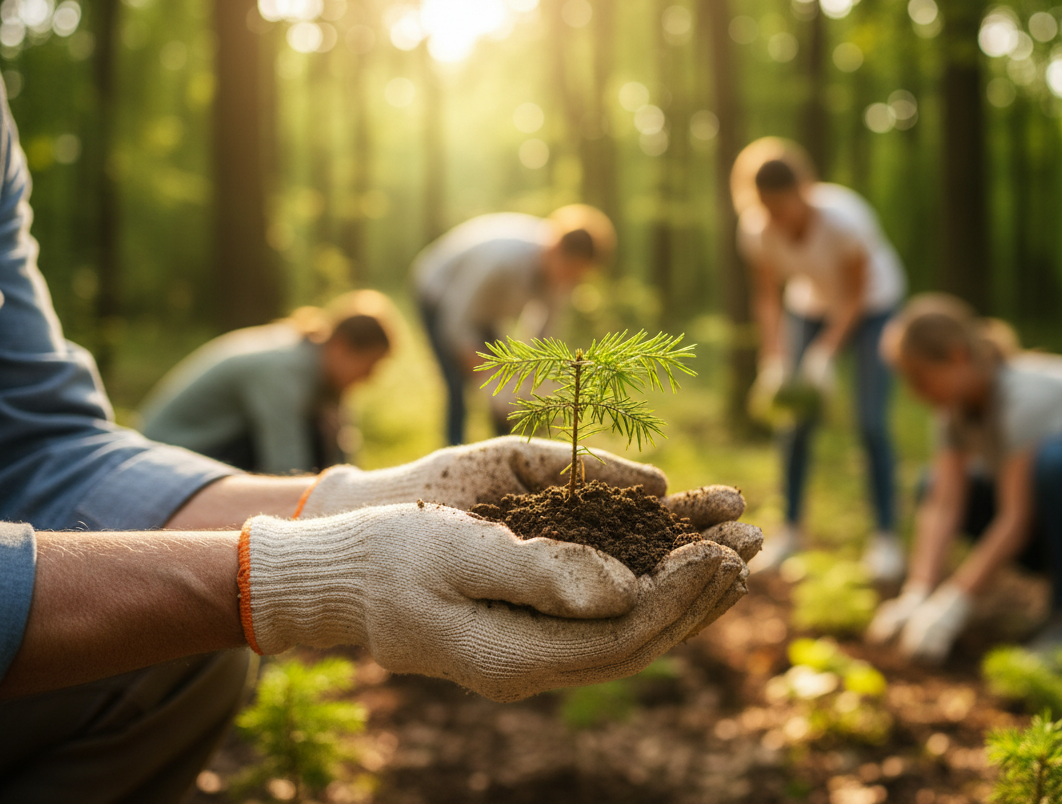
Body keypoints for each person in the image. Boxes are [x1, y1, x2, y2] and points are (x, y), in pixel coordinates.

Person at [0, 83, 761, 802]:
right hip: (445, 300)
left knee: (196, 666)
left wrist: (347, 499)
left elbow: (44, 437)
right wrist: (291, 573)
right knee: (474, 394)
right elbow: (470, 336)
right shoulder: (488, 263)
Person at [866, 294, 1062, 665]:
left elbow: (1016, 519)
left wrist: (955, 602)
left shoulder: (1026, 394)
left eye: (919, 378)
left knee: (1056, 462)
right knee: (932, 482)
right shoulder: (952, 413)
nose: (914, 392)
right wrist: (918, 593)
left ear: (956, 356)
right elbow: (944, 504)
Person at [733, 138, 908, 582]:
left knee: (870, 420)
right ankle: (790, 529)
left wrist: (826, 352)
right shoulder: (755, 229)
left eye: (783, 206)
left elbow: (853, 297)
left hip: (873, 306)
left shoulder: (845, 219)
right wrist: (773, 359)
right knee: (794, 421)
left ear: (804, 190)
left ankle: (886, 537)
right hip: (809, 307)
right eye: (767, 208)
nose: (777, 217)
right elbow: (768, 299)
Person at [413, 206, 615, 446]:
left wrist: (532, 389)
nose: (571, 281)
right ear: (556, 249)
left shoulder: (561, 277)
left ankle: (507, 451)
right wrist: (487, 377)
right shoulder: (503, 260)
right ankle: (452, 453)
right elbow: (457, 324)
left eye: (578, 275)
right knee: (457, 382)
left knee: (506, 381)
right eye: (570, 271)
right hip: (440, 295)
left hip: (485, 311)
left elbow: (544, 338)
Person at [138, 291, 397, 474]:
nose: (370, 379)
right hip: (164, 458)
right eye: (370, 366)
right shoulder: (282, 371)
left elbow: (341, 460)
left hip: (210, 450)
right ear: (341, 346)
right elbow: (286, 468)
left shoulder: (320, 372)